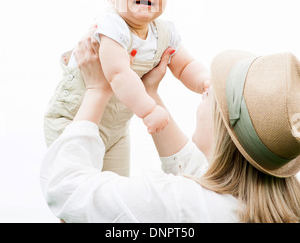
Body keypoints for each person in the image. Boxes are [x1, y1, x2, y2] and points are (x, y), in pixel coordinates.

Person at [40, 33, 300, 223]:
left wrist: (97, 90)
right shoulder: (284, 205)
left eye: (210, 96)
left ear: (225, 129)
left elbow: (67, 189)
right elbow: (200, 172)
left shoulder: (174, 202)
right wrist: (149, 93)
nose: (204, 92)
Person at [43, 0, 210, 176]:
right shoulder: (112, 26)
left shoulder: (164, 32)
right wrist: (149, 110)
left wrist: (205, 81)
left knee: (114, 189)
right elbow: (119, 75)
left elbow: (185, 66)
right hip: (74, 118)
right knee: (76, 188)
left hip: (116, 128)